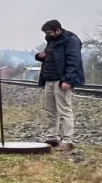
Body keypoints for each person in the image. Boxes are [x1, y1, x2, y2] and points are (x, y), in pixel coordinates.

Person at [35, 19, 85, 149]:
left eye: (50, 32)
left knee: (64, 110)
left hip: (61, 80)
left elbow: (74, 61)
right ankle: (52, 137)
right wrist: (41, 56)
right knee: (50, 110)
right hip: (49, 79)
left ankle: (67, 140)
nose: (48, 35)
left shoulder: (71, 40)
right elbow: (52, 56)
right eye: (46, 33)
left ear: (58, 30)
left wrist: (68, 79)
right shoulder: (51, 40)